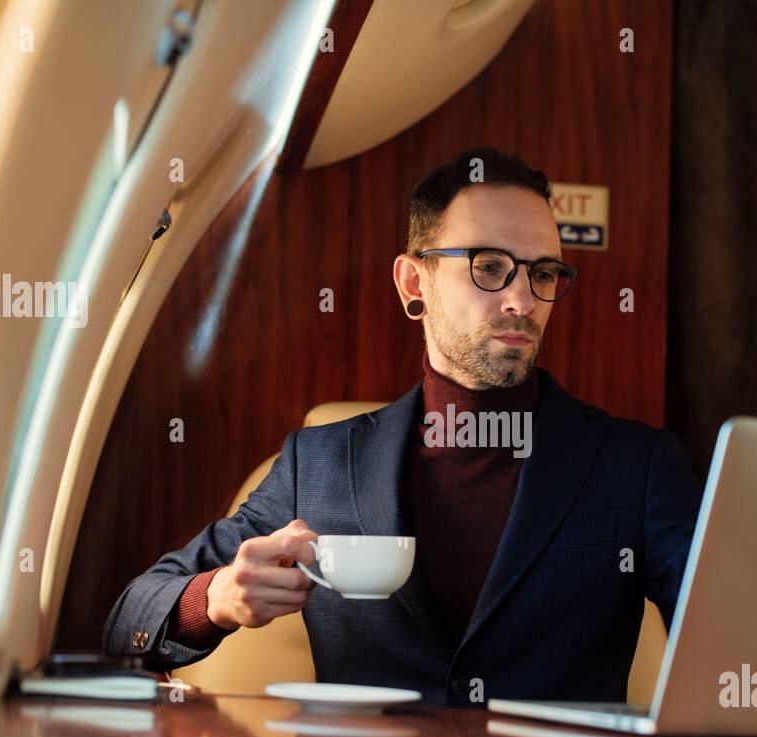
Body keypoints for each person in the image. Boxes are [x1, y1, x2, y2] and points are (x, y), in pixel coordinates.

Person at [104, 147, 700, 707]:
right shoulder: (316, 466)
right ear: (415, 283)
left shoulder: (637, 468)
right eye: (490, 266)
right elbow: (128, 620)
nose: (522, 299)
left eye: (542, 272)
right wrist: (219, 597)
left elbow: (727, 653)